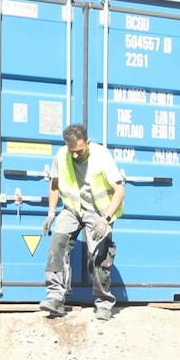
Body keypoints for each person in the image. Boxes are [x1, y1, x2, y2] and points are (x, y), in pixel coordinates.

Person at [40, 122, 125, 320]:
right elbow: (54, 185)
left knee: (98, 255)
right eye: (72, 152)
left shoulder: (102, 156)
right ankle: (55, 298)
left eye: (79, 150)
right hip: (72, 209)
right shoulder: (62, 155)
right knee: (57, 244)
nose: (76, 155)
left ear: (87, 142)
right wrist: (52, 213)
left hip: (98, 213)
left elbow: (120, 191)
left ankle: (103, 303)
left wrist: (105, 219)